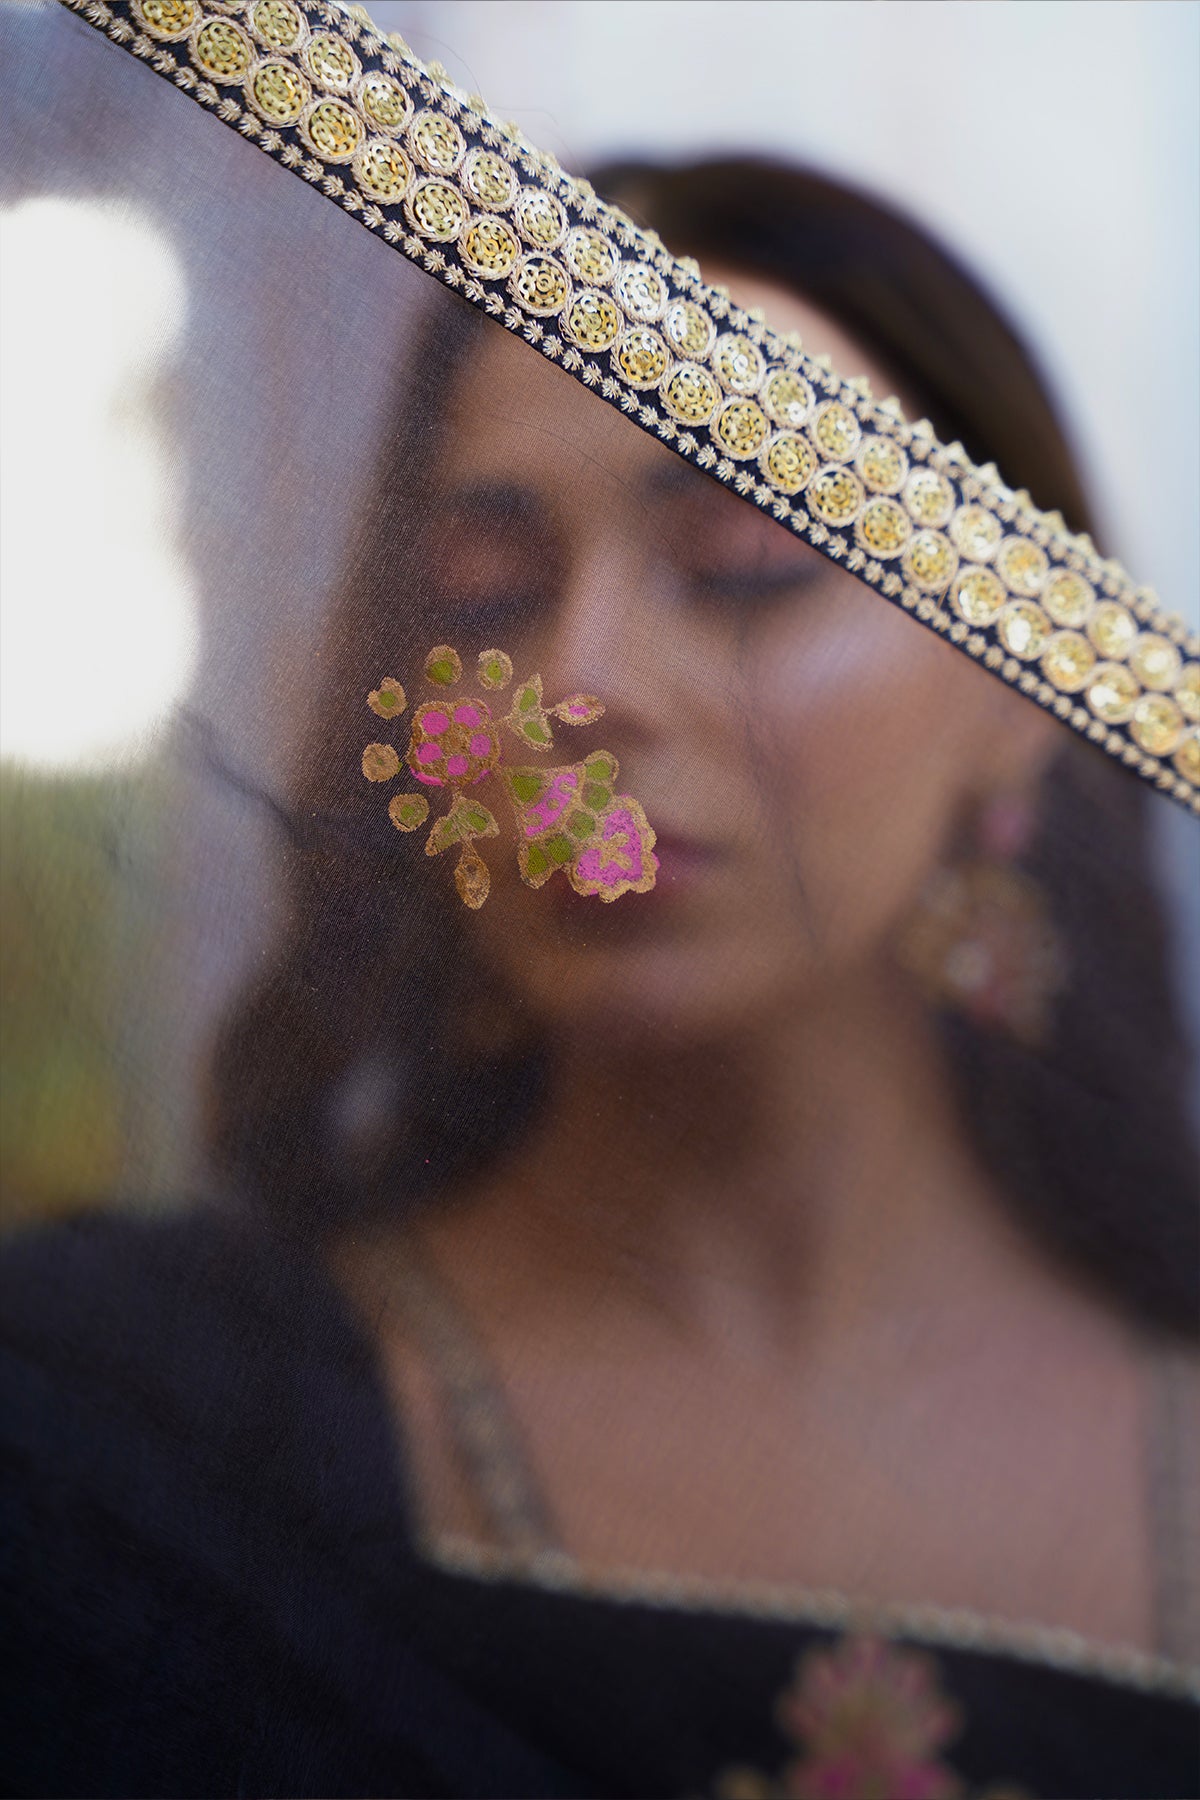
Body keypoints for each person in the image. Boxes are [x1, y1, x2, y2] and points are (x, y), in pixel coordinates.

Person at [1, 6, 1197, 1795]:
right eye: (488, 592)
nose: (580, 680)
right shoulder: (107, 1436)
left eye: (749, 562)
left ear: (1020, 697)